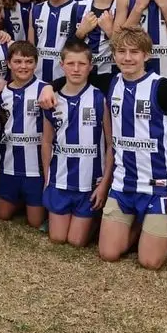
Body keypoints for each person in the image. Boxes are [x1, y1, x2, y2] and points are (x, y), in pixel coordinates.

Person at [97, 28, 167, 271]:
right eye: (121, 51)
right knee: (108, 253)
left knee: (150, 262)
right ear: (114, 55)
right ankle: (140, 225)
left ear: (146, 55)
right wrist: (49, 88)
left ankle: (158, 226)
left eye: (134, 52)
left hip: (158, 187)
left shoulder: (165, 88)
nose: (127, 58)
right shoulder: (110, 83)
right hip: (123, 186)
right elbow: (73, 78)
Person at [42, 39, 110, 248]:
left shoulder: (100, 98)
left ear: (90, 66)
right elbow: (46, 141)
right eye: (71, 64)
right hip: (60, 180)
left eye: (82, 64)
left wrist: (104, 184)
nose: (76, 69)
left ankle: (98, 220)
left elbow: (111, 145)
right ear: (62, 65)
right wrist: (47, 178)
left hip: (89, 183)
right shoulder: (52, 100)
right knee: (57, 238)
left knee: (75, 242)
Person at [0, 41, 45, 228]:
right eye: (18, 61)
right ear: (9, 63)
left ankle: (30, 201)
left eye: (29, 62)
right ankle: (18, 198)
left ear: (35, 63)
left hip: (35, 169)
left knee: (35, 222)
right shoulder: (1, 93)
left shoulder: (44, 90)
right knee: (1, 215)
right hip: (9, 165)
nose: (23, 66)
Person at [70, 0, 120, 91]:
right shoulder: (78, 7)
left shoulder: (122, 8)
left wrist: (111, 32)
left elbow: (130, 49)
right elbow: (68, 48)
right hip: (84, 80)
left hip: (114, 79)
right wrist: (80, 33)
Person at [31, 0, 78, 83]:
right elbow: (31, 46)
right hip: (38, 77)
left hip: (64, 78)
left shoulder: (77, 9)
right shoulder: (37, 9)